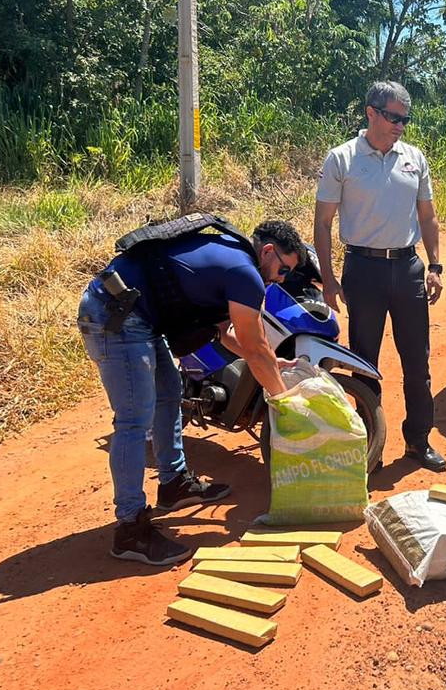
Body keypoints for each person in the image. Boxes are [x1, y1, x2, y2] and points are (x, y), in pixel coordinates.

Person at [78, 217, 305, 566]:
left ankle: (173, 485)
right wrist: (285, 402)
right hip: (116, 317)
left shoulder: (234, 256)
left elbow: (232, 336)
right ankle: (130, 530)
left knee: (169, 395)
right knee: (134, 421)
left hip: (137, 313)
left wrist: (274, 364)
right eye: (283, 269)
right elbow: (254, 347)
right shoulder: (245, 273)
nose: (281, 278)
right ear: (269, 251)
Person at [314, 81, 446, 472]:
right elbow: (322, 223)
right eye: (393, 117)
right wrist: (328, 277)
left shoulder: (414, 158)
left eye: (405, 119)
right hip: (364, 270)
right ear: (371, 113)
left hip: (407, 269)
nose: (400, 126)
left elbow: (429, 216)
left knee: (417, 362)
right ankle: (368, 444)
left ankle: (419, 441)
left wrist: (435, 265)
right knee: (364, 362)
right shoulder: (342, 158)